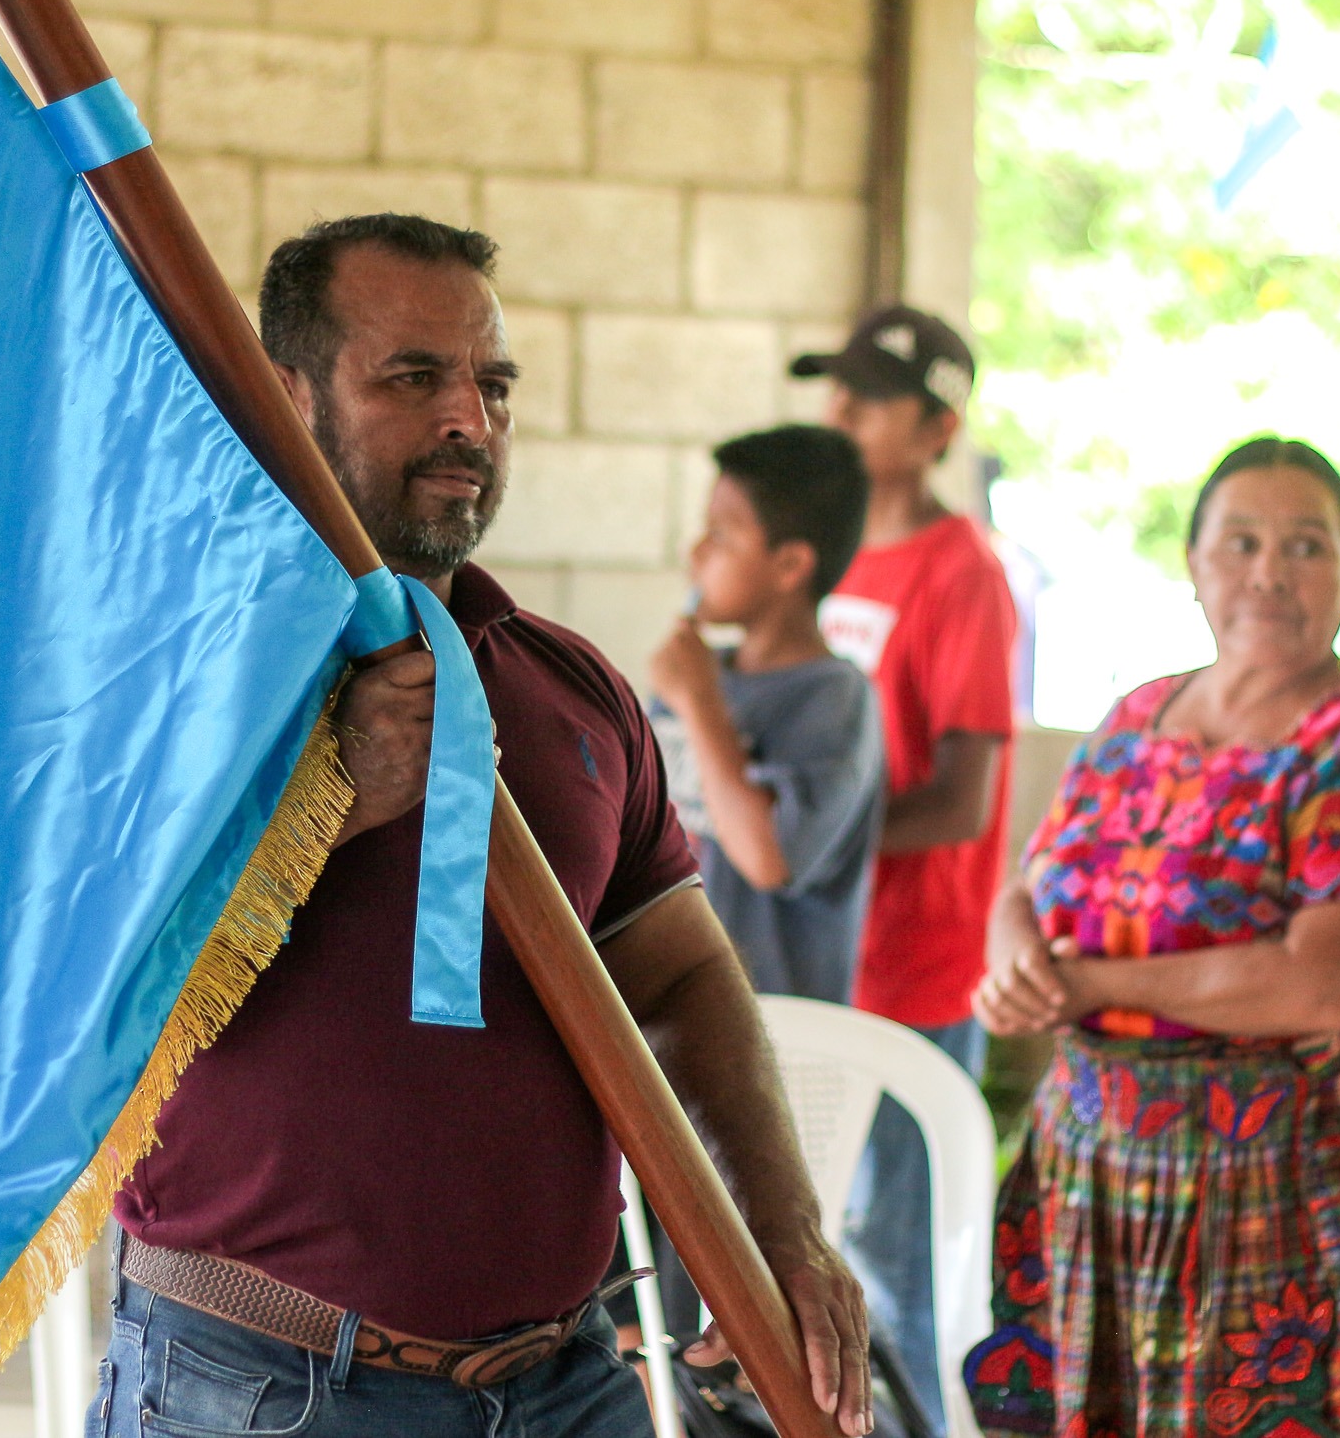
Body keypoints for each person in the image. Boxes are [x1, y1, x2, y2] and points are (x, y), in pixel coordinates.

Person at [100, 216, 874, 1438]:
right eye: (415, 378)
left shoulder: (573, 689)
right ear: (285, 398)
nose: (470, 419)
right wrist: (333, 800)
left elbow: (676, 969)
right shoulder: (172, 670)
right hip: (263, 1386)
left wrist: (779, 1232)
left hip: (565, 1380)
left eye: (493, 384)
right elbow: (90, 985)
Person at [962, 437, 1340, 1438]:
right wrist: (1016, 957)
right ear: (1194, 567)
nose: (1269, 571)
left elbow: (1324, 989)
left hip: (1266, 1189)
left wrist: (1087, 984)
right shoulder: (1137, 714)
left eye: (1306, 546)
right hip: (1090, 1172)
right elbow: (1034, 878)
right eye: (1240, 542)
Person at [791, 306, 1018, 1432]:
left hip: (912, 977)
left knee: (904, 1275)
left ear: (936, 427)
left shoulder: (961, 571)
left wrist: (806, 839)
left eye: (867, 397)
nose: (838, 411)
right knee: (814, 1264)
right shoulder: (816, 549)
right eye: (833, 388)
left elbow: (964, 799)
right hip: (812, 963)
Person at [646, 424, 885, 1005]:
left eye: (722, 536)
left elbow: (768, 858)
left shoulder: (833, 698)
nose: (697, 554)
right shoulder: (698, 673)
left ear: (790, 565)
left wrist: (699, 701)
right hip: (673, 1004)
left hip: (774, 1026)